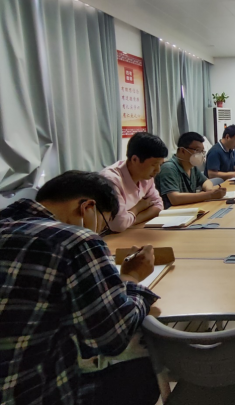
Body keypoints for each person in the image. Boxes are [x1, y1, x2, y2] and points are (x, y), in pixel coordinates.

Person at [0, 171, 159, 405]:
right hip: (31, 392)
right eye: (102, 225)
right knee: (142, 368)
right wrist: (131, 277)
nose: (99, 233)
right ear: (87, 208)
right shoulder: (75, 240)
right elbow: (112, 337)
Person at [100, 132, 167, 232]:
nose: (158, 170)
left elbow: (158, 206)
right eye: (154, 165)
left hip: (130, 231)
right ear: (135, 159)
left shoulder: (146, 176)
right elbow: (119, 224)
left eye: (160, 165)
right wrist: (138, 207)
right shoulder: (111, 180)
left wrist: (130, 220)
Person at [155, 132, 227, 209]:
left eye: (202, 151)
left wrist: (209, 190)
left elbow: (206, 181)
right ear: (182, 151)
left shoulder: (192, 167)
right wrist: (210, 195)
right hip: (173, 212)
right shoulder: (168, 168)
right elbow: (175, 198)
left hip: (189, 208)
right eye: (197, 150)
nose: (201, 154)